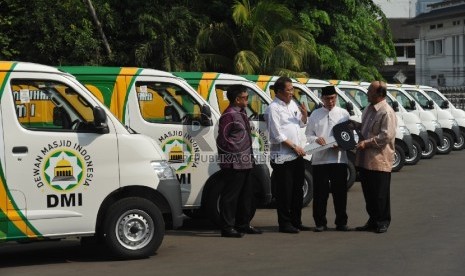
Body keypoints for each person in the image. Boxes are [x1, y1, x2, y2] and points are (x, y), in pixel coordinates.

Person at [216, 84, 262, 238]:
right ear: (237, 99)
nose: (247, 101)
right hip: (234, 162)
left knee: (246, 194)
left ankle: (243, 224)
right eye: (245, 97)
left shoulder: (242, 113)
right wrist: (236, 153)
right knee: (230, 196)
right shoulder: (228, 115)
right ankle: (227, 227)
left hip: (246, 161)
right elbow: (222, 139)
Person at [265, 76, 309, 234]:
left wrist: (304, 115)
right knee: (285, 192)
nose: (292, 92)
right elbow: (276, 135)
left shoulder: (293, 105)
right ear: (279, 91)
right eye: (289, 90)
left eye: (292, 89)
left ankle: (296, 221)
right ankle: (285, 223)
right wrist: (294, 147)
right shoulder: (273, 108)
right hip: (283, 157)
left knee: (298, 189)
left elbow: (301, 124)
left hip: (297, 155)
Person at [306, 85, 351, 232]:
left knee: (340, 193)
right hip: (320, 160)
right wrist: (316, 139)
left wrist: (342, 144)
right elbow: (308, 134)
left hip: (339, 159)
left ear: (336, 98)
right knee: (320, 194)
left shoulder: (344, 114)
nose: (330, 101)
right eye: (327, 98)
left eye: (332, 98)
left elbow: (348, 135)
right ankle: (320, 223)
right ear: (322, 99)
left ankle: (341, 222)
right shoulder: (315, 114)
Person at [355, 80, 397, 234]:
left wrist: (366, 143)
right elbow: (365, 128)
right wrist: (354, 126)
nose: (367, 93)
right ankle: (372, 220)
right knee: (369, 193)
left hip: (380, 160)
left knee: (381, 194)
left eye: (370, 91)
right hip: (365, 159)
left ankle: (383, 221)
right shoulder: (368, 109)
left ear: (380, 94)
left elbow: (386, 136)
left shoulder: (386, 111)